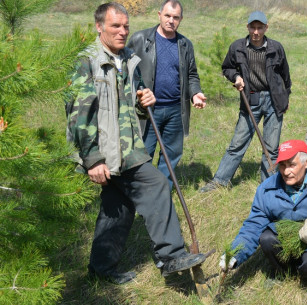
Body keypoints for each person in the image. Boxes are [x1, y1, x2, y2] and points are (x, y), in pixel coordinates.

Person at [65, 2, 206, 285]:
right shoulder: (86, 61)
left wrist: (146, 102)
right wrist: (93, 159)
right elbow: (79, 115)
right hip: (106, 152)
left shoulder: (128, 57)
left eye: (126, 26)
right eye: (115, 26)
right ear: (99, 26)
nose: (122, 31)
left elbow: (135, 102)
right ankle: (171, 256)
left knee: (118, 206)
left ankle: (101, 269)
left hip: (128, 148)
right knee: (155, 185)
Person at [219, 140, 307, 297]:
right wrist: (235, 254)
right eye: (282, 165)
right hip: (288, 239)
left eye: (292, 165)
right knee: (267, 237)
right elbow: (254, 225)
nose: (286, 171)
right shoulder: (267, 188)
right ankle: (282, 272)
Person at [199, 11, 291, 193]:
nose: (256, 32)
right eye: (252, 27)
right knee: (237, 144)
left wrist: (284, 98)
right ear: (247, 27)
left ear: (266, 27)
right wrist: (236, 77)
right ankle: (220, 181)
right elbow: (227, 67)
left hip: (273, 100)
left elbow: (285, 76)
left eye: (260, 28)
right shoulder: (237, 47)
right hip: (251, 98)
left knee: (271, 147)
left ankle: (268, 185)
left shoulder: (276, 48)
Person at [127, 0, 206, 190]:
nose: (171, 20)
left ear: (181, 19)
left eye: (175, 17)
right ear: (159, 15)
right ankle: (140, 193)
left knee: (171, 155)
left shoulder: (185, 44)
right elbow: (126, 70)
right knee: (143, 153)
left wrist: (195, 93)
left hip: (176, 110)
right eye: (167, 16)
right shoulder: (139, 39)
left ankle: (162, 194)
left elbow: (192, 74)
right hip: (147, 110)